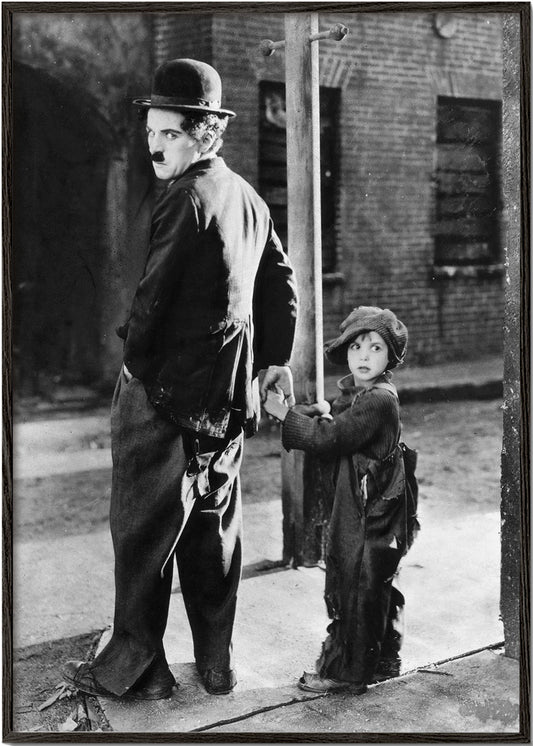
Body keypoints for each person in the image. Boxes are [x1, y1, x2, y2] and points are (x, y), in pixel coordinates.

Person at [63, 58, 297, 700]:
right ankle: (216, 666)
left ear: (204, 133)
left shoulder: (183, 198)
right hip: (225, 403)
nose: (153, 145)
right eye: (150, 133)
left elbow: (150, 300)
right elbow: (281, 283)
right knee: (214, 535)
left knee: (141, 537)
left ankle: (144, 673)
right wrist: (275, 360)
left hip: (161, 398)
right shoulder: (249, 197)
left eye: (168, 134)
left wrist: (131, 366)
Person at [264, 306, 418, 694]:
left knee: (357, 582)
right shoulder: (371, 394)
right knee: (374, 581)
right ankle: (382, 656)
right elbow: (345, 424)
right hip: (380, 506)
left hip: (372, 512)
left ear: (390, 358)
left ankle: (346, 672)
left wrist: (283, 414)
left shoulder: (378, 401)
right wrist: (325, 413)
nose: (364, 356)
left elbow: (330, 439)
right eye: (356, 347)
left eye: (376, 348)